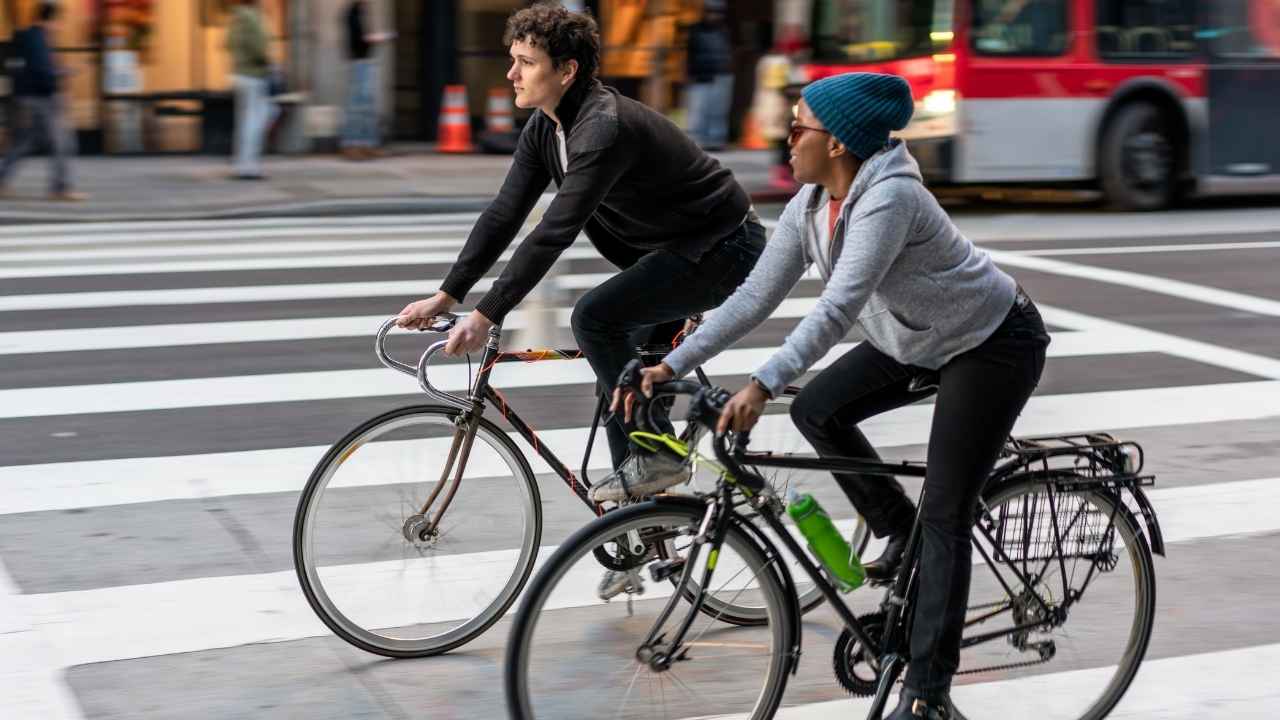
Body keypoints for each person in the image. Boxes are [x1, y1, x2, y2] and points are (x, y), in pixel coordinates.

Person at [616, 72, 1051, 719]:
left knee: (947, 513)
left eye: (798, 127)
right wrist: (669, 362)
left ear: (840, 143)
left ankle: (929, 692)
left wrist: (762, 383)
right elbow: (754, 296)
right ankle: (900, 534)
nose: (784, 138)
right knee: (820, 410)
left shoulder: (889, 199)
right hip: (914, 338)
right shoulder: (814, 202)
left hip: (990, 342)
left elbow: (837, 307)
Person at [395, 2, 765, 498]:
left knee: (596, 320)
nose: (511, 73)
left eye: (526, 62)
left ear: (567, 70)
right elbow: (504, 214)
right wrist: (448, 294)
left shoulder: (602, 127)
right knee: (619, 376)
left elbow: (554, 230)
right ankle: (645, 529)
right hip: (671, 252)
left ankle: (656, 460)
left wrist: (485, 314)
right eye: (513, 59)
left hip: (721, 247)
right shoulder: (547, 127)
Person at [0, 1, 86, 201]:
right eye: (58, 21)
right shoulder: (38, 38)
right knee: (63, 143)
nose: (60, 26)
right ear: (50, 19)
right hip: (42, 99)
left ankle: (2, 181)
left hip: (26, 98)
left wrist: (60, 72)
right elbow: (42, 71)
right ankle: (60, 188)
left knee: (24, 142)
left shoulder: (29, 37)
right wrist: (61, 77)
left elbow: (36, 68)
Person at [226, 0, 274, 180]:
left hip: (238, 74)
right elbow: (260, 48)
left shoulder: (235, 17)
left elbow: (228, 43)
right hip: (254, 75)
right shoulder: (253, 18)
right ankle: (250, 167)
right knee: (256, 122)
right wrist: (268, 60)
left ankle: (240, 166)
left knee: (243, 123)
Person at [340, 0, 394, 160]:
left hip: (363, 62)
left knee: (367, 106)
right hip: (360, 63)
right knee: (358, 106)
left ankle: (368, 145)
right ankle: (353, 146)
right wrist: (378, 38)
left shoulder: (359, 12)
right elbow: (360, 39)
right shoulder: (353, 12)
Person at [684, 1, 733, 150]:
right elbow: (689, 54)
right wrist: (689, 73)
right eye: (711, 12)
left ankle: (716, 140)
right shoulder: (696, 30)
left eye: (718, 13)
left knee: (719, 110)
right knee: (698, 110)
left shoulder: (724, 31)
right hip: (700, 75)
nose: (715, 16)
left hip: (721, 74)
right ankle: (696, 141)